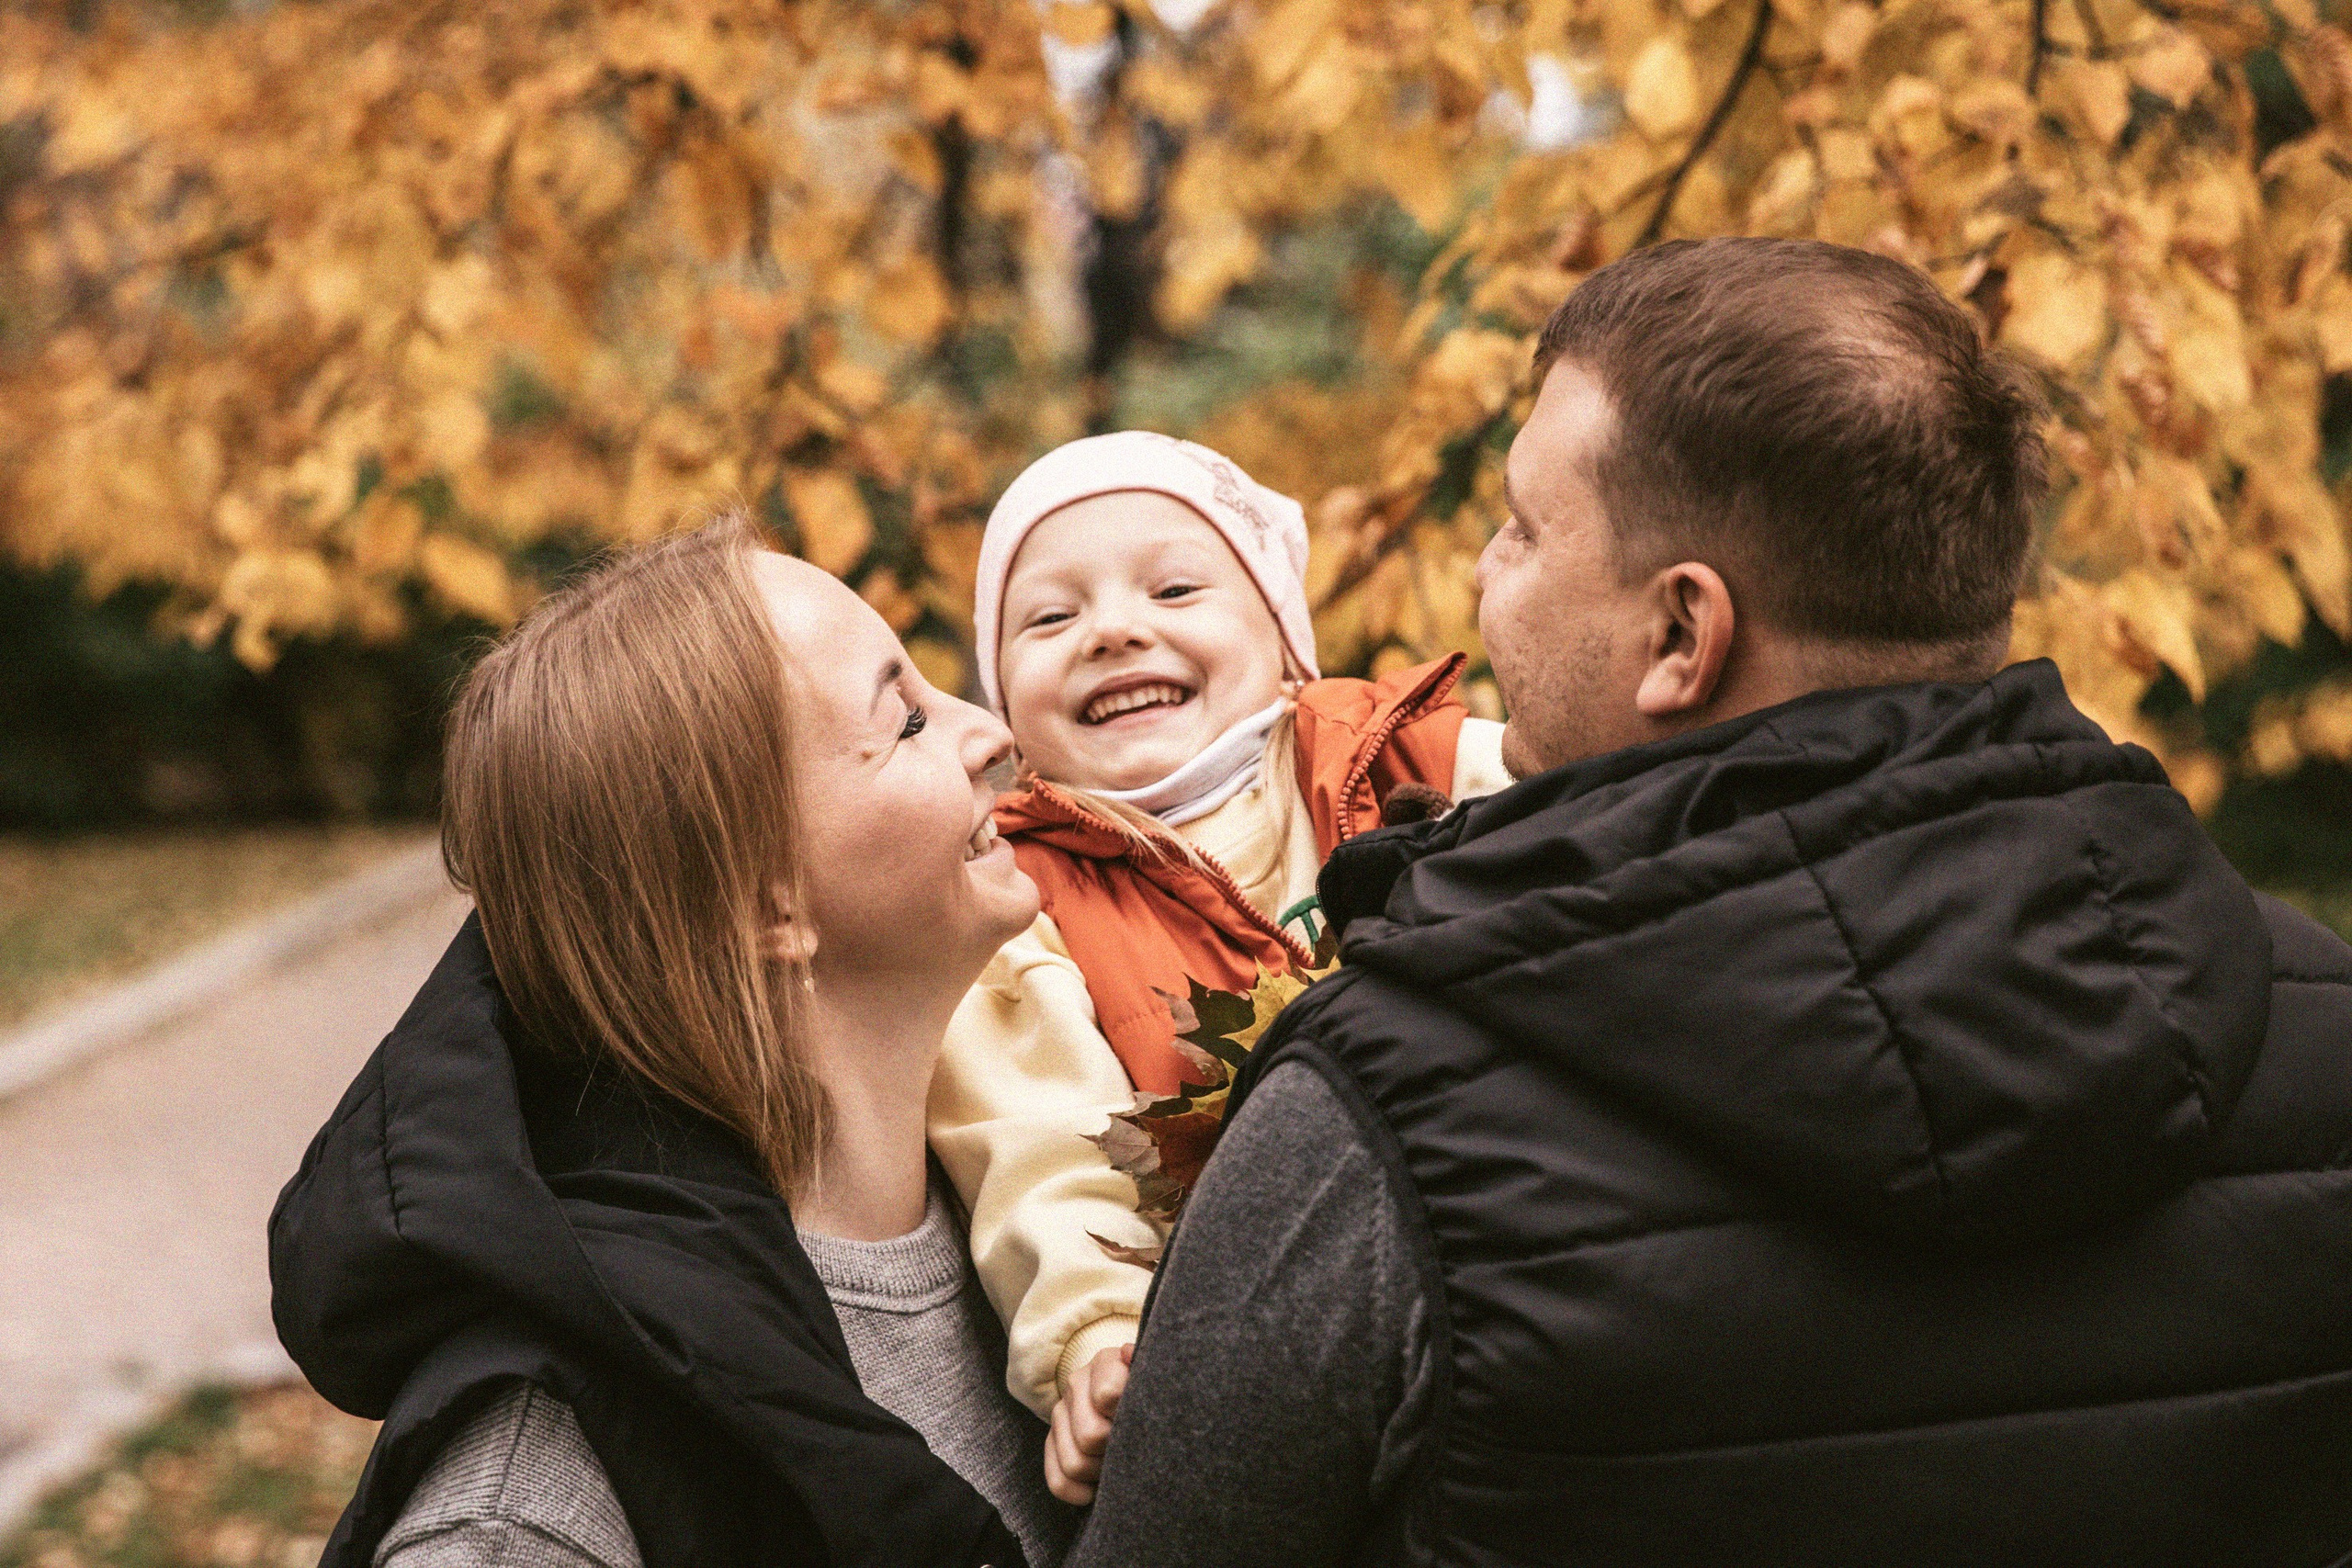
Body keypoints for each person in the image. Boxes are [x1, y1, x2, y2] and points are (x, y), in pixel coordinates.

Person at [1069, 238, 2352, 1565]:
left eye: (1523, 528)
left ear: (1683, 633)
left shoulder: (1375, 1119)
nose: (1484, 574)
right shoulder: (2315, 1027)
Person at [269, 515, 1077, 1568]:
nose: (992, 732)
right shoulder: (533, 1508)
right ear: (765, 906)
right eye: (908, 721)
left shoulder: (1052, 1198)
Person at [921, 432, 1513, 1488]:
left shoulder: (1410, 760)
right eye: (1049, 618)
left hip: (1504, 1234)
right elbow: (1034, 1144)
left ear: (1284, 639)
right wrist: (1097, 1338)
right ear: (1003, 708)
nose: (1113, 630)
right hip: (1252, 1336)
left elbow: (1607, 829)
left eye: (1175, 588)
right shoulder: (1018, 904)